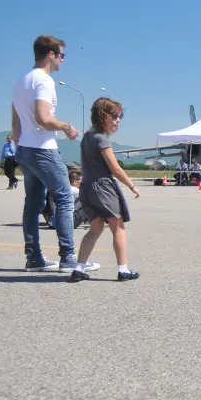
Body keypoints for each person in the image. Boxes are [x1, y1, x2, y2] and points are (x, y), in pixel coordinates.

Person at [11, 35, 98, 272]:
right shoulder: (44, 81)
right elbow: (43, 117)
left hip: (25, 150)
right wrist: (66, 126)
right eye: (61, 55)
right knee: (64, 199)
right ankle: (68, 258)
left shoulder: (21, 81)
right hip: (43, 149)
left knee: (33, 204)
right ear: (50, 54)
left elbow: (16, 124)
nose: (62, 60)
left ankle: (34, 258)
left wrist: (21, 147)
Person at [68, 97, 140, 283]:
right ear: (103, 116)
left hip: (87, 188)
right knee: (118, 227)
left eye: (120, 117)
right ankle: (123, 270)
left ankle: (78, 268)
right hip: (103, 188)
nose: (118, 120)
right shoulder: (102, 140)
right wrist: (131, 186)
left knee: (95, 229)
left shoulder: (87, 137)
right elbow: (115, 168)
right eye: (115, 116)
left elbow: (83, 165)